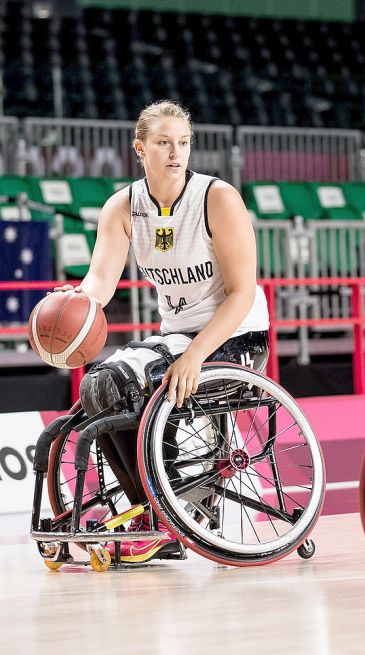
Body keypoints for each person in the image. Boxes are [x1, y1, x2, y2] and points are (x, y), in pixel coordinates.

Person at [54, 100, 270, 562]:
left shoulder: (218, 199)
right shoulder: (123, 207)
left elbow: (242, 294)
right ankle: (150, 510)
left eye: (184, 143)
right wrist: (74, 302)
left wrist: (196, 356)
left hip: (236, 336)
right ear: (140, 149)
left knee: (140, 380)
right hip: (177, 338)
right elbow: (100, 283)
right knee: (99, 385)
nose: (176, 153)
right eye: (164, 143)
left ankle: (161, 516)